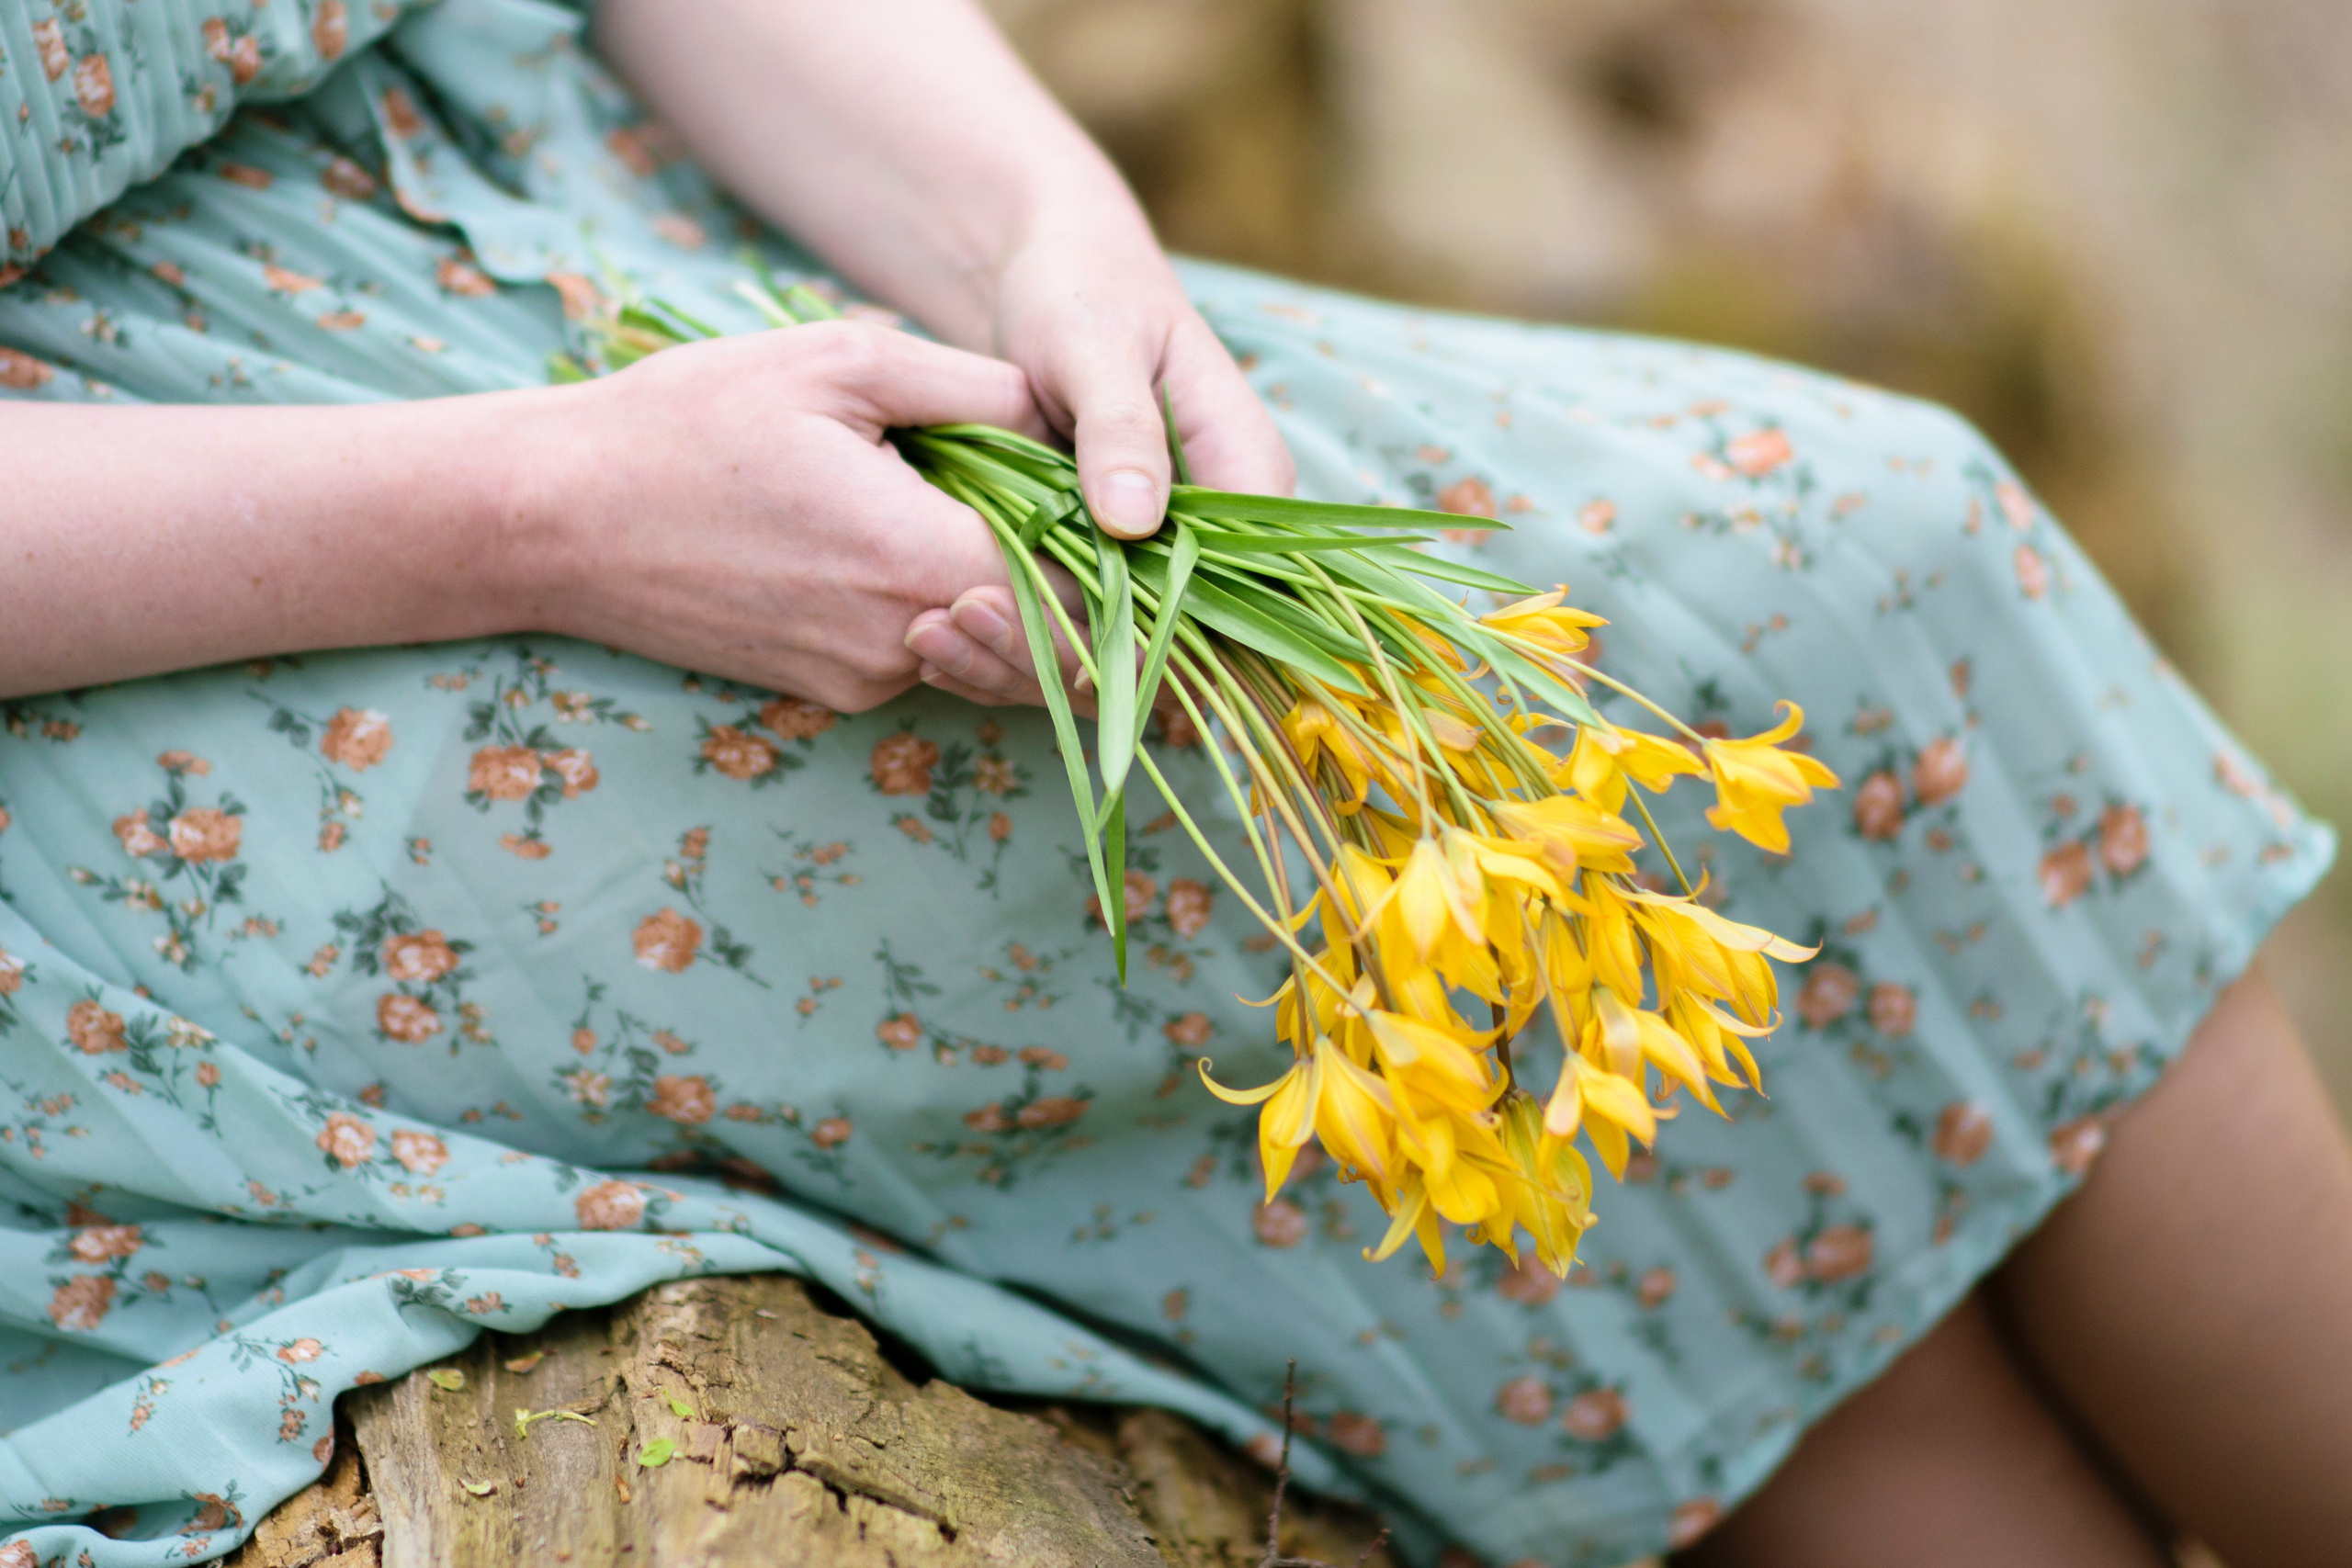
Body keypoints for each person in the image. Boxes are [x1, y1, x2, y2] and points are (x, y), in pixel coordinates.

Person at [0, 2, 2346, 1564]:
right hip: (205, 578)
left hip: (589, 228)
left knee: (1865, 562)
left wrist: (1042, 224)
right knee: (1292, 874)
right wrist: (549, 507)